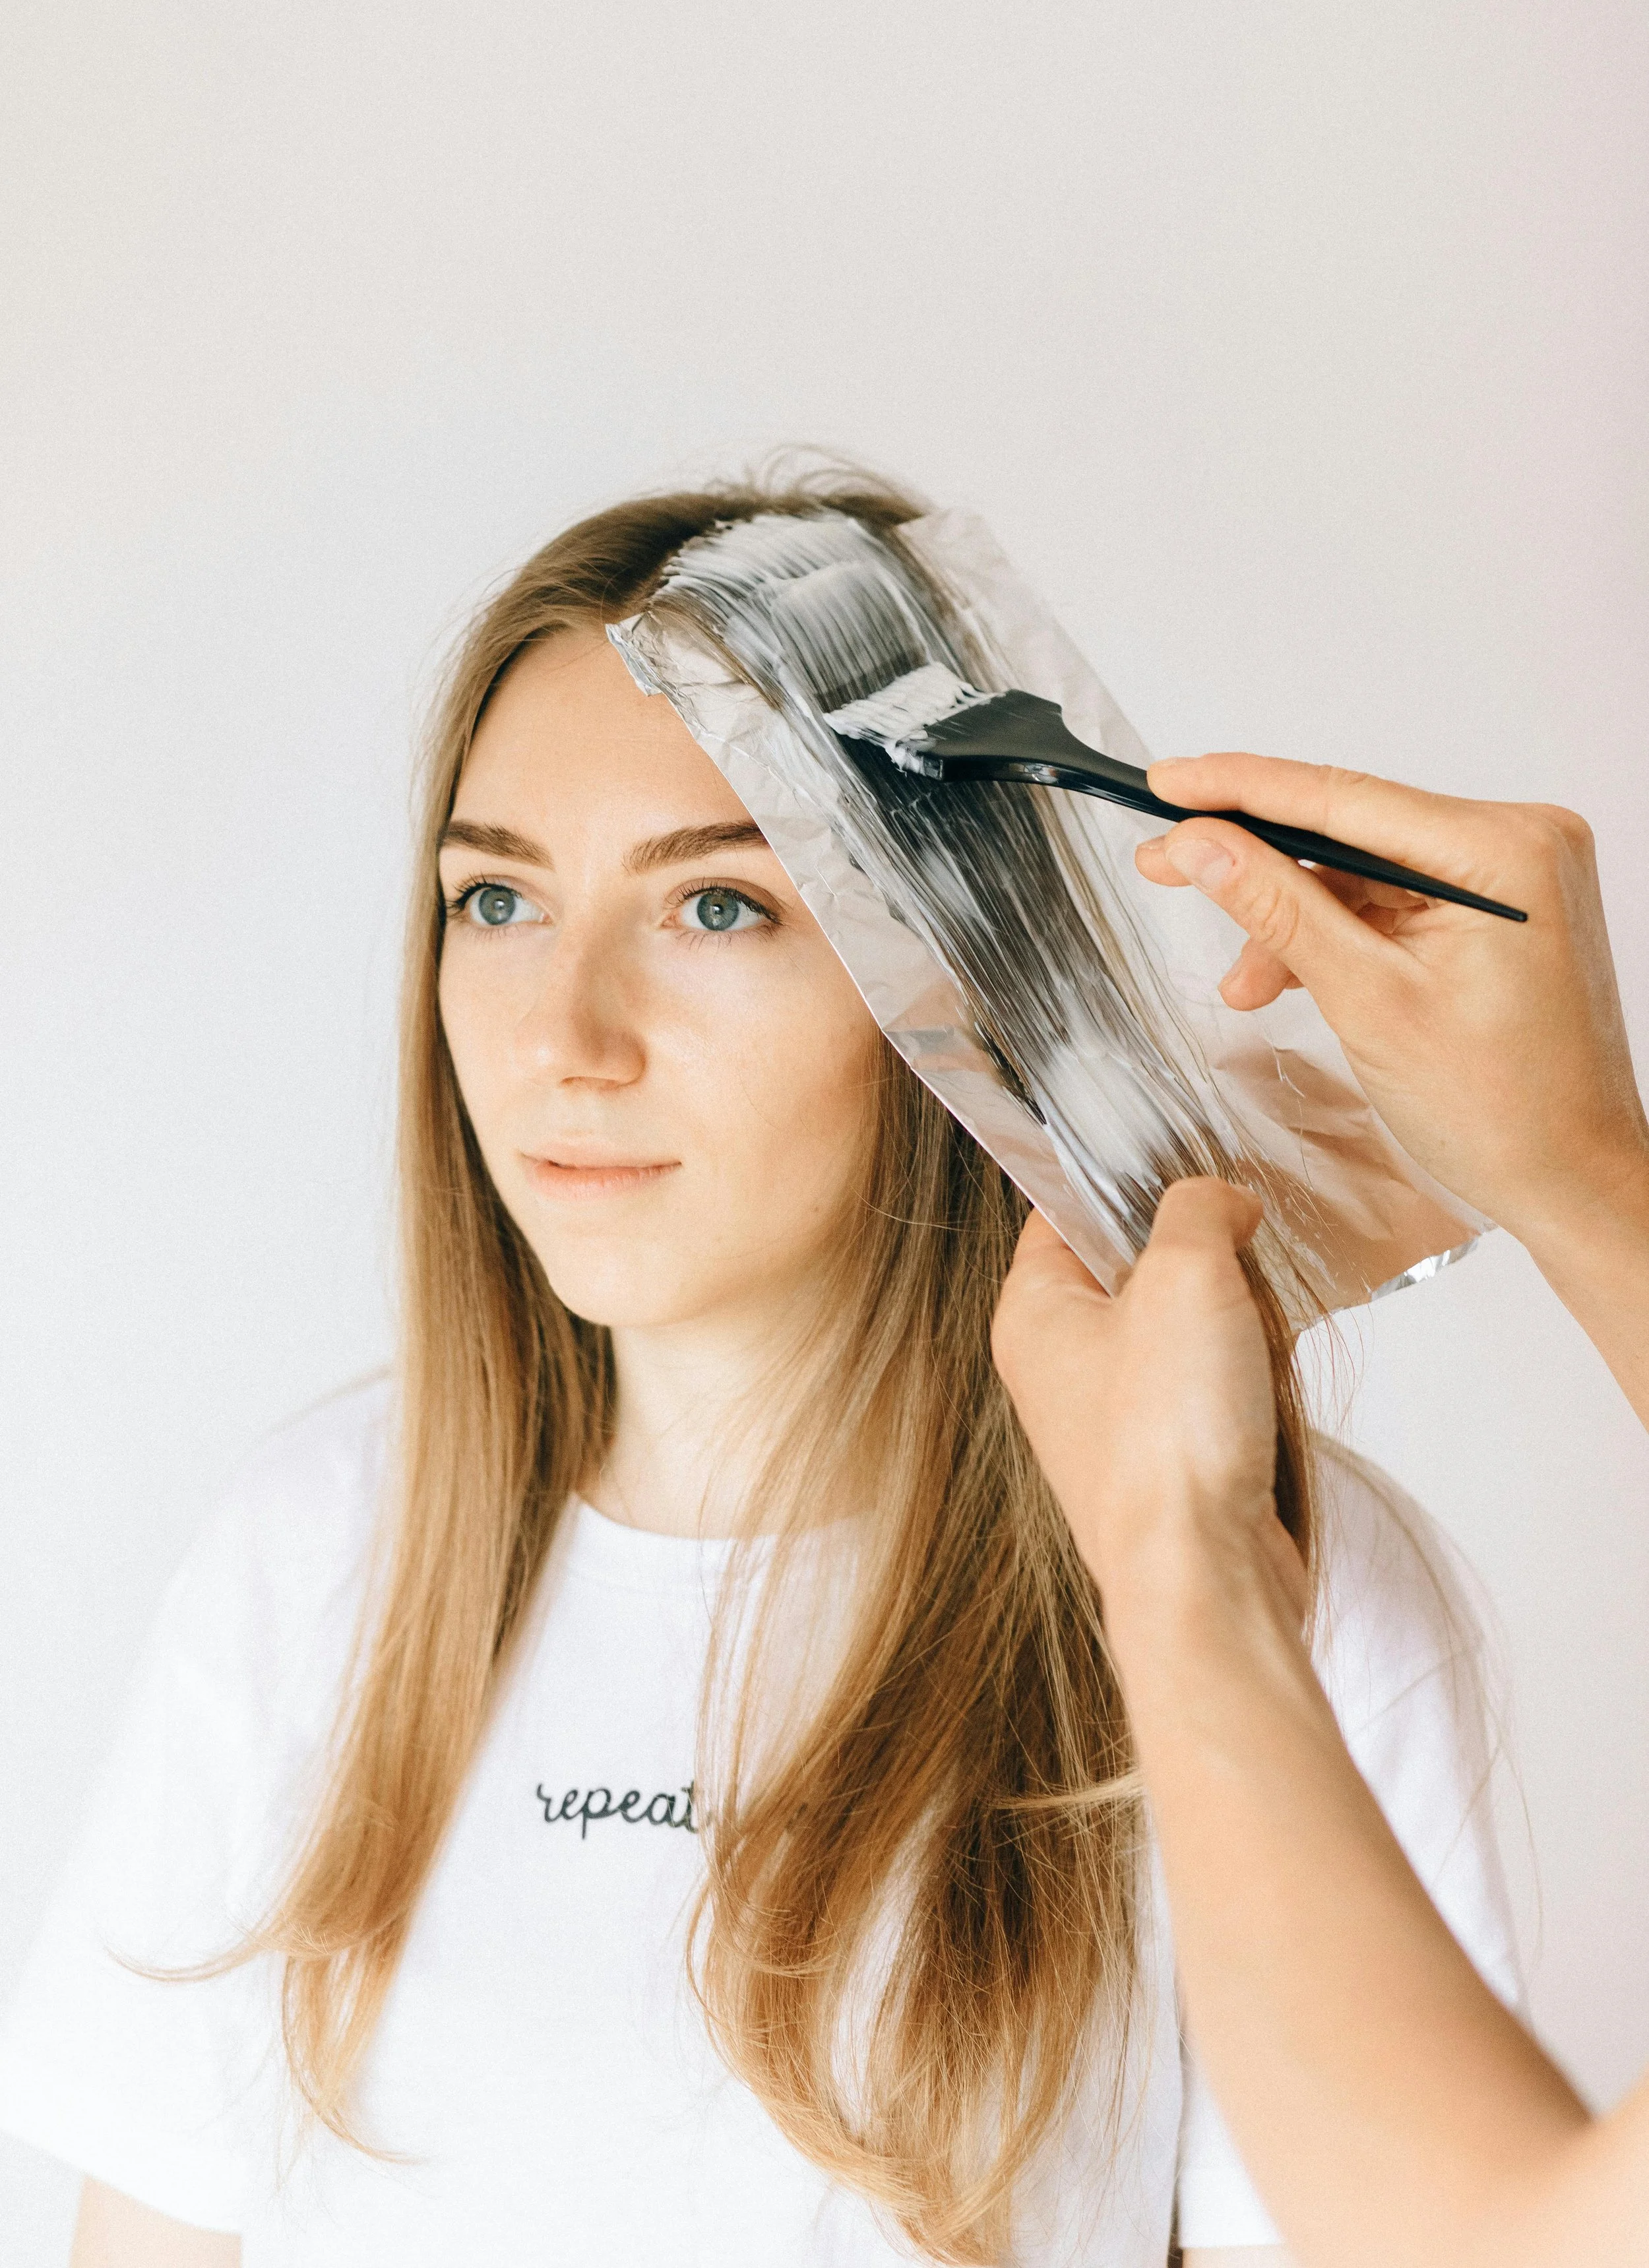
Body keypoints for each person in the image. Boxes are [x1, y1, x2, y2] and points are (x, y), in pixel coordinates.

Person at [0, 484, 1520, 2268]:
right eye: (495, 897)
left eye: (716, 907)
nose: (563, 1038)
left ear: (951, 973)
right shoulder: (316, 1550)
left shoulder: (1260, 1587)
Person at [993, 756, 1649, 2268]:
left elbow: (1497, 2244)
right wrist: (1588, 1178)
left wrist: (1185, 1553)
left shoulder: (1351, 1588)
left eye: (721, 907)